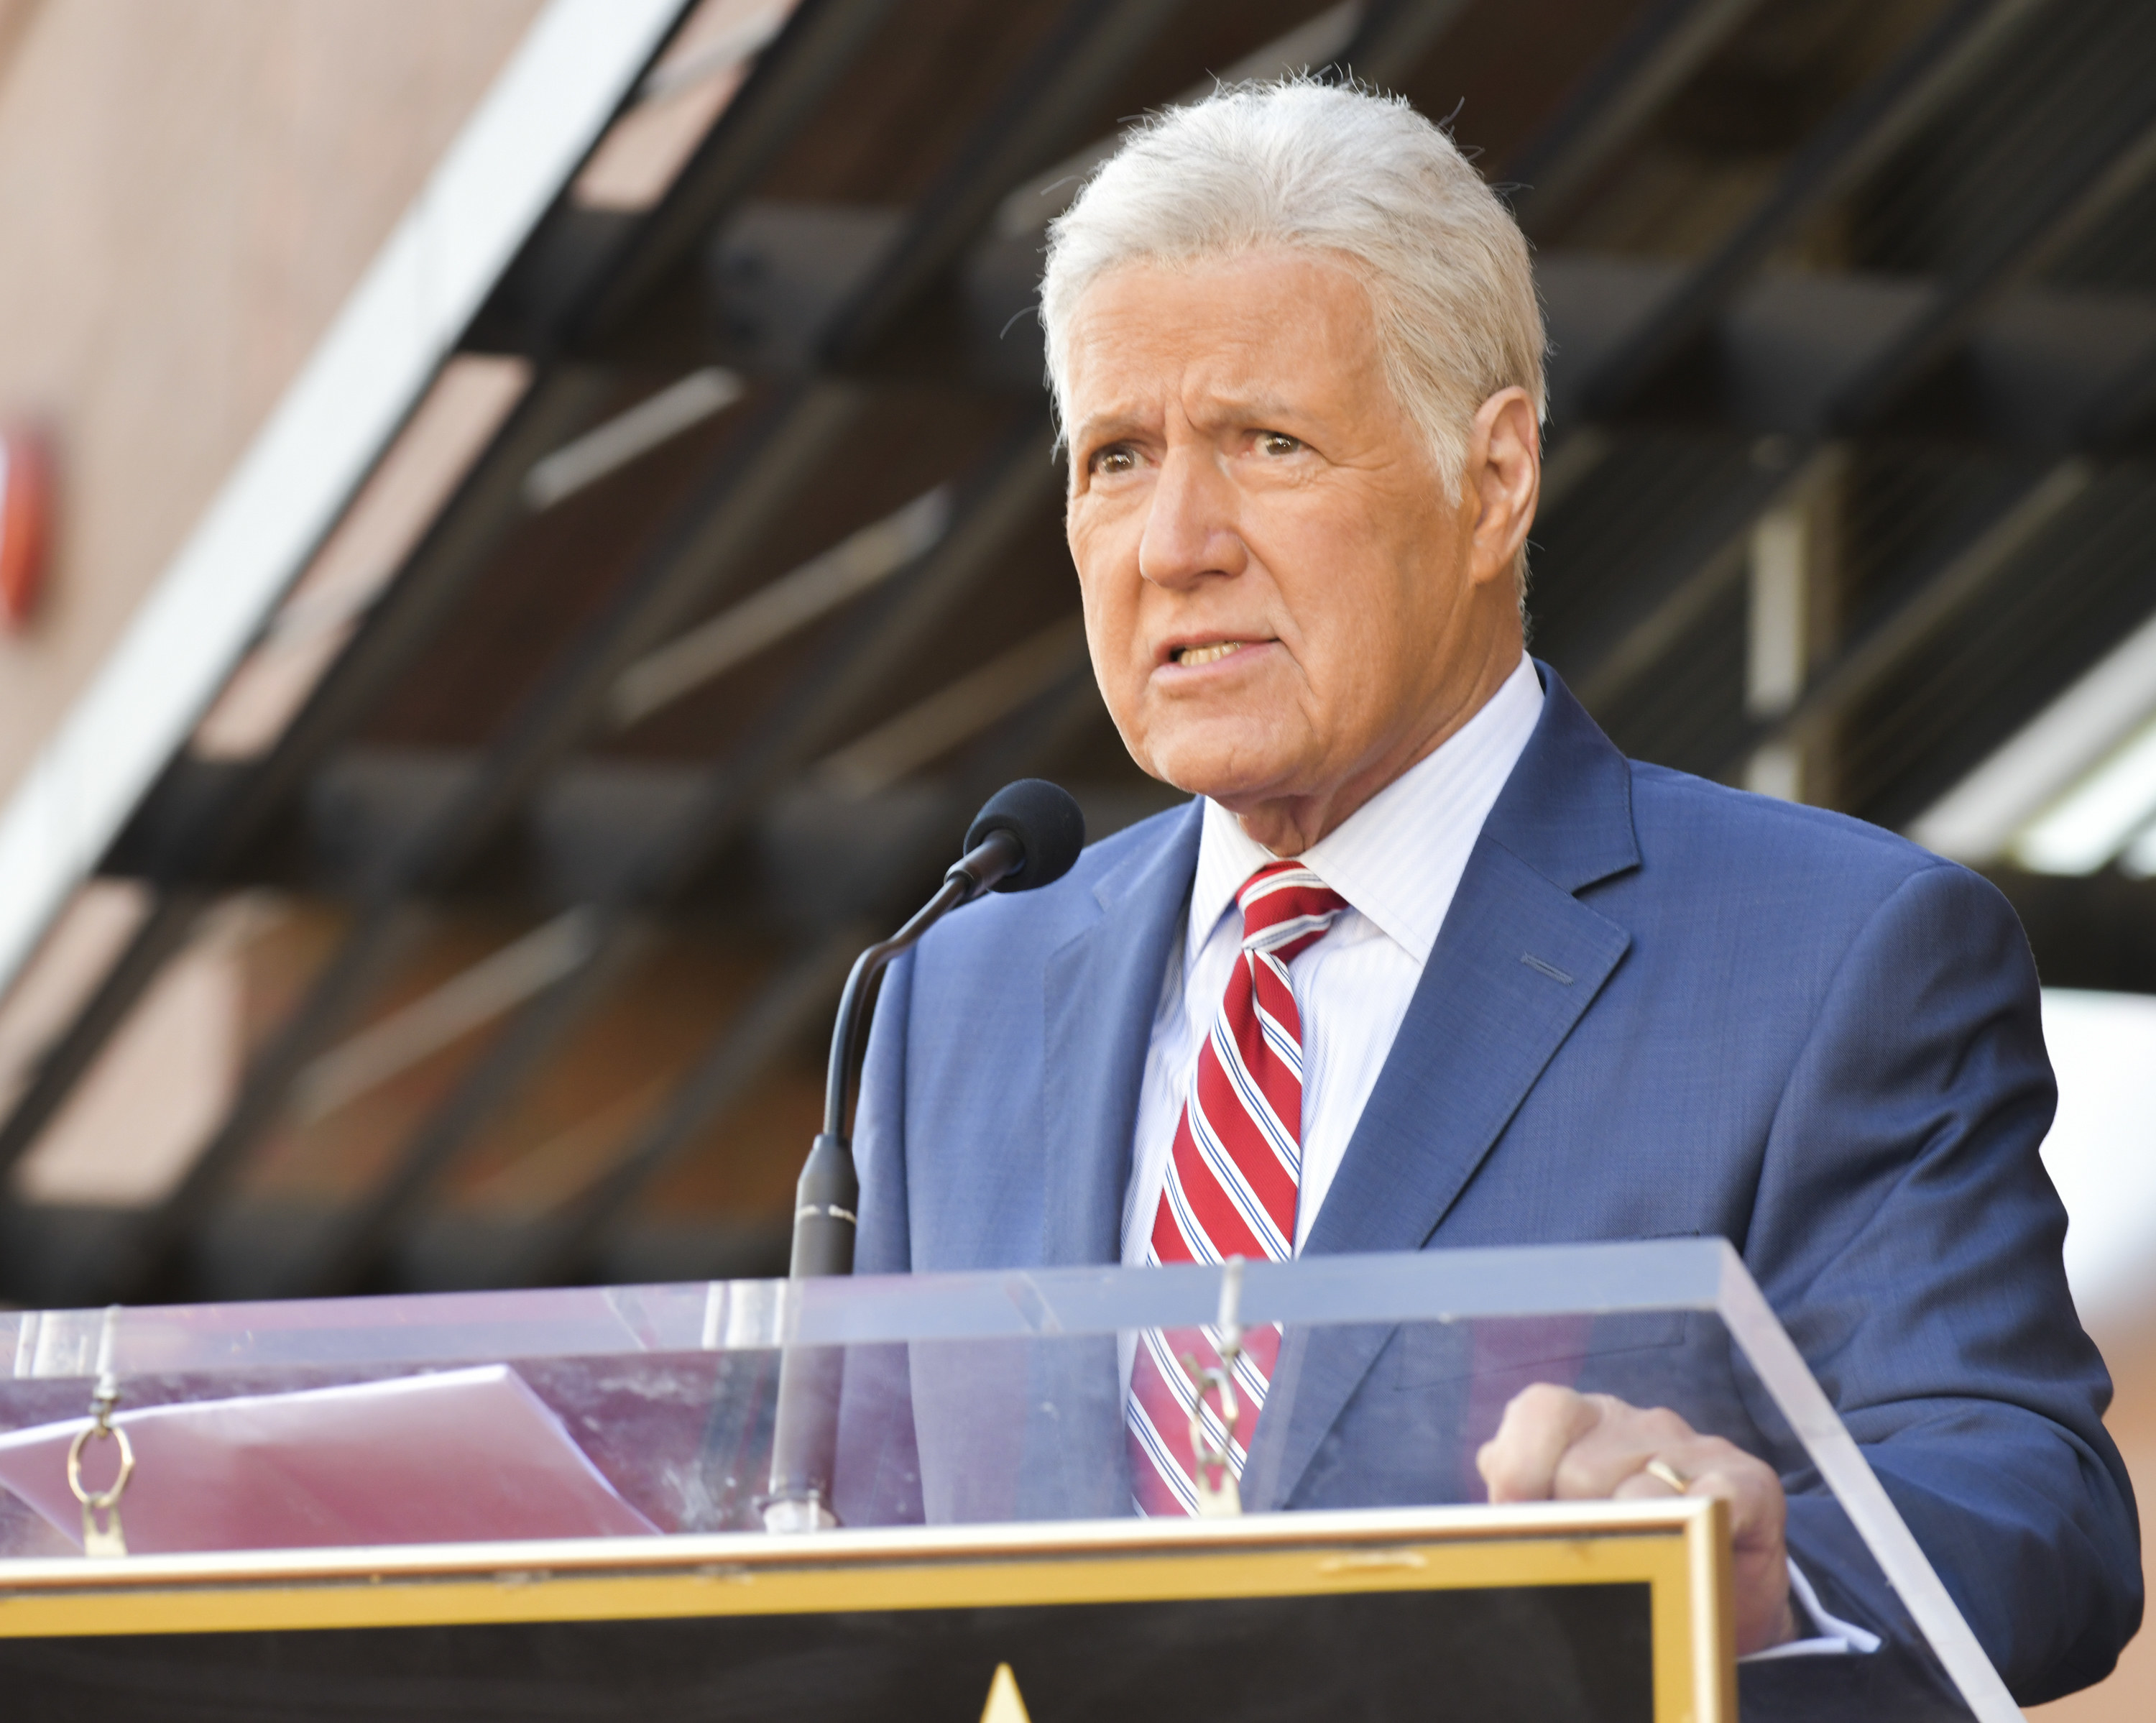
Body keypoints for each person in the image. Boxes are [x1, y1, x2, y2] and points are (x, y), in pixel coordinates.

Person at [850, 79, 2139, 1714]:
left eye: (1268, 442)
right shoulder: (950, 994)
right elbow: (857, 1569)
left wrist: (1765, 1564)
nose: (1175, 540)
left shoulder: (1838, 957)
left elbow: (2033, 1502)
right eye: (1116, 457)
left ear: (1498, 475)